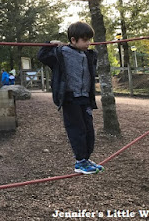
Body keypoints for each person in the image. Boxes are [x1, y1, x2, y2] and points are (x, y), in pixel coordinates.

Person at [37, 21, 104, 175]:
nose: (88, 43)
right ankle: (80, 161)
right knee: (77, 130)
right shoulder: (62, 53)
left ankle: (86, 159)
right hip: (70, 98)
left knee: (89, 130)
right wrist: (50, 44)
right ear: (73, 40)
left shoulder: (87, 54)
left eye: (89, 40)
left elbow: (93, 63)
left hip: (85, 98)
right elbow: (42, 56)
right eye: (85, 40)